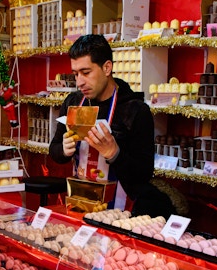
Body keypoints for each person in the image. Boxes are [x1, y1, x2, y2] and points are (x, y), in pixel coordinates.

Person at [49, 34, 175, 217]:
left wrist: (114, 153)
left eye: (86, 72)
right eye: (75, 74)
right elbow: (54, 150)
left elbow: (144, 173)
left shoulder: (135, 110)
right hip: (81, 203)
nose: (79, 82)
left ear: (107, 67)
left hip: (120, 213)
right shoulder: (73, 102)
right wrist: (63, 150)